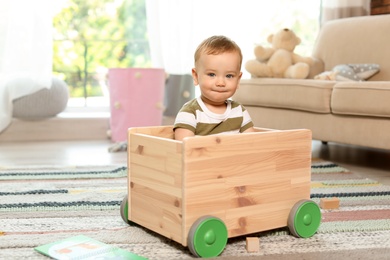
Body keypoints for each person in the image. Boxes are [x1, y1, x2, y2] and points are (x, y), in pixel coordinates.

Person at [173, 35, 255, 141]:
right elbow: (184, 148)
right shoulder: (190, 112)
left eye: (229, 76)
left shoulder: (239, 111)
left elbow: (252, 143)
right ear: (196, 76)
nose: (220, 83)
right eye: (211, 74)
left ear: (238, 80)